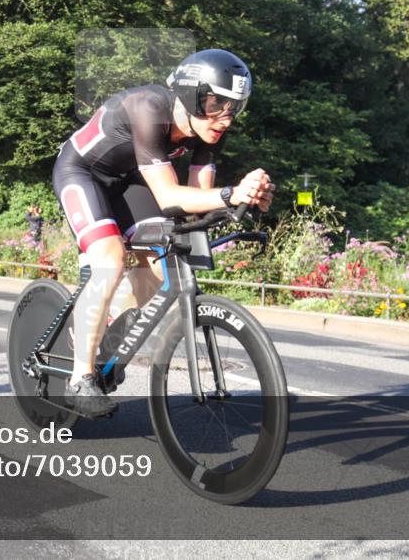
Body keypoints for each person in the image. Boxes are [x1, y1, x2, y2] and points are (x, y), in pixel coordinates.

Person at [52, 49, 274, 417]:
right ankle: (80, 377)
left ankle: (106, 337)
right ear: (190, 95)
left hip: (131, 180)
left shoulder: (211, 130)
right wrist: (231, 192)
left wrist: (246, 201)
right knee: (110, 260)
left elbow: (195, 201)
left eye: (234, 107)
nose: (226, 118)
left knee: (158, 267)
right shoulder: (148, 109)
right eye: (217, 103)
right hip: (82, 173)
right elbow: (170, 195)